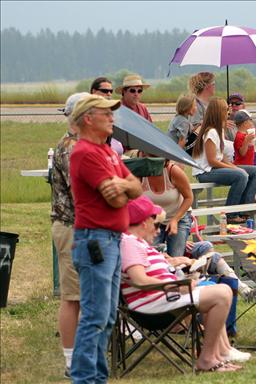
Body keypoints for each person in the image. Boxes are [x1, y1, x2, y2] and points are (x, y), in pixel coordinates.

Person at [120, 196, 250, 372]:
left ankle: (219, 353)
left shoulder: (137, 243)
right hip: (153, 305)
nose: (158, 231)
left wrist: (181, 281)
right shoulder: (129, 242)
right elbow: (139, 280)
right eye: (156, 225)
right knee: (222, 293)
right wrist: (175, 286)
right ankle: (208, 358)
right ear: (144, 222)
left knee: (218, 290)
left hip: (162, 299)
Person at [69, 94, 143, 383]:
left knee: (108, 317)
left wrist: (122, 184)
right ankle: (85, 378)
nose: (113, 118)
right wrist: (124, 188)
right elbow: (114, 202)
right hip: (95, 240)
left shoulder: (108, 152)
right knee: (95, 316)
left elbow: (136, 188)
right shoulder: (85, 152)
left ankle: (96, 377)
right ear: (88, 118)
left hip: (110, 240)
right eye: (106, 113)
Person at [50, 92, 88, 378]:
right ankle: (71, 359)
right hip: (72, 227)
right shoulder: (71, 148)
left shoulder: (81, 146)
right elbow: (81, 197)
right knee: (73, 296)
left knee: (84, 294)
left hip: (81, 227)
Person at [192, 98, 256, 224]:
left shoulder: (219, 131)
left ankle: (246, 209)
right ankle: (230, 214)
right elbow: (212, 161)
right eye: (226, 109)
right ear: (218, 112)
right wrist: (234, 169)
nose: (229, 111)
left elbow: (222, 157)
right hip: (205, 172)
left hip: (214, 168)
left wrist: (233, 166)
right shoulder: (211, 132)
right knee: (241, 175)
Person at [141, 158, 193, 257]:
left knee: (175, 256)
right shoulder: (139, 174)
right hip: (153, 220)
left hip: (178, 217)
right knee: (150, 255)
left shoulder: (173, 171)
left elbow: (189, 197)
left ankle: (193, 250)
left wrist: (175, 220)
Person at [90, 76, 124, 156]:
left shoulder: (115, 112)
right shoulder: (88, 113)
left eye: (111, 91)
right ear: (93, 91)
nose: (109, 94)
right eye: (105, 91)